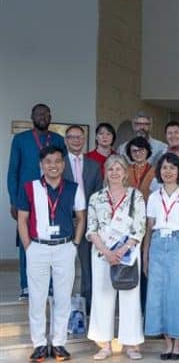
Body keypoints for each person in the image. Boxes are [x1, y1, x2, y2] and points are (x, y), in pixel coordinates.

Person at [16, 146, 85, 362]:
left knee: (63, 298)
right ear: (41, 165)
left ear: (63, 164)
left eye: (57, 161)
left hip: (64, 247)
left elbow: (81, 218)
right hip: (38, 247)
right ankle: (38, 344)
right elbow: (22, 220)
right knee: (37, 298)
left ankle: (58, 343)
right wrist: (28, 247)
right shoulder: (29, 188)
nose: (53, 165)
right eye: (48, 162)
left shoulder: (73, 188)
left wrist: (75, 244)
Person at [86, 155, 145, 361]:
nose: (115, 172)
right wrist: (106, 251)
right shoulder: (96, 198)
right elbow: (91, 229)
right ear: (105, 172)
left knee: (130, 296)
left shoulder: (135, 196)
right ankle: (104, 344)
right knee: (102, 296)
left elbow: (140, 227)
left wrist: (122, 250)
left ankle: (130, 344)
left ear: (125, 172)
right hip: (102, 253)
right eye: (111, 169)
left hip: (128, 253)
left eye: (119, 168)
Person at [7, 104, 66, 299]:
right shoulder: (21, 139)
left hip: (53, 198)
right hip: (27, 198)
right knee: (27, 241)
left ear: (51, 117)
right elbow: (13, 171)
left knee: (51, 242)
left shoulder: (57, 140)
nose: (43, 116)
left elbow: (64, 169)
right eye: (39, 113)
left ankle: (50, 286)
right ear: (32, 116)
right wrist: (14, 200)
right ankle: (26, 285)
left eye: (46, 113)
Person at [143, 152, 179, 360]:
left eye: (172, 168)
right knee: (158, 293)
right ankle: (167, 341)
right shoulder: (154, 196)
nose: (168, 172)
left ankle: (178, 341)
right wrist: (146, 256)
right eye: (164, 168)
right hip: (157, 243)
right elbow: (149, 228)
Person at [63, 125, 103, 313]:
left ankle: (87, 306)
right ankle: (63, 305)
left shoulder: (94, 166)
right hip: (64, 220)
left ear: (85, 139)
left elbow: (98, 195)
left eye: (79, 137)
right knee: (63, 266)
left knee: (87, 266)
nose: (76, 140)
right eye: (72, 137)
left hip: (87, 221)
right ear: (66, 140)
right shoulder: (59, 163)